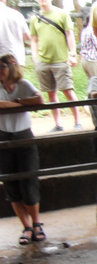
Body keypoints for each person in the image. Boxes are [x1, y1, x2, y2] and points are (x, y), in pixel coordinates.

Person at [0, 54, 44, 245]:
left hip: (23, 135)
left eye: (2, 68)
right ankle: (26, 226)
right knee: (11, 183)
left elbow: (39, 100)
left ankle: (36, 223)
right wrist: (20, 103)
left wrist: (15, 103)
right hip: (3, 136)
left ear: (11, 68)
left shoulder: (24, 84)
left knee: (29, 181)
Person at [30, 0, 81, 132]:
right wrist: (35, 58)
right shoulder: (35, 19)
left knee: (68, 91)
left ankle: (77, 121)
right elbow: (34, 39)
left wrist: (72, 53)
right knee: (51, 93)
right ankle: (58, 124)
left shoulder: (61, 14)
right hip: (43, 61)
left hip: (60, 60)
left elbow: (69, 34)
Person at [0, 0, 29, 66]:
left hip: (1, 61)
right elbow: (27, 37)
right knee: (16, 77)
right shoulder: (17, 15)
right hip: (16, 60)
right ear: (4, 1)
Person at [79, 12, 97, 79]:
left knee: (92, 82)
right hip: (92, 59)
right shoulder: (92, 30)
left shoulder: (85, 30)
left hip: (84, 59)